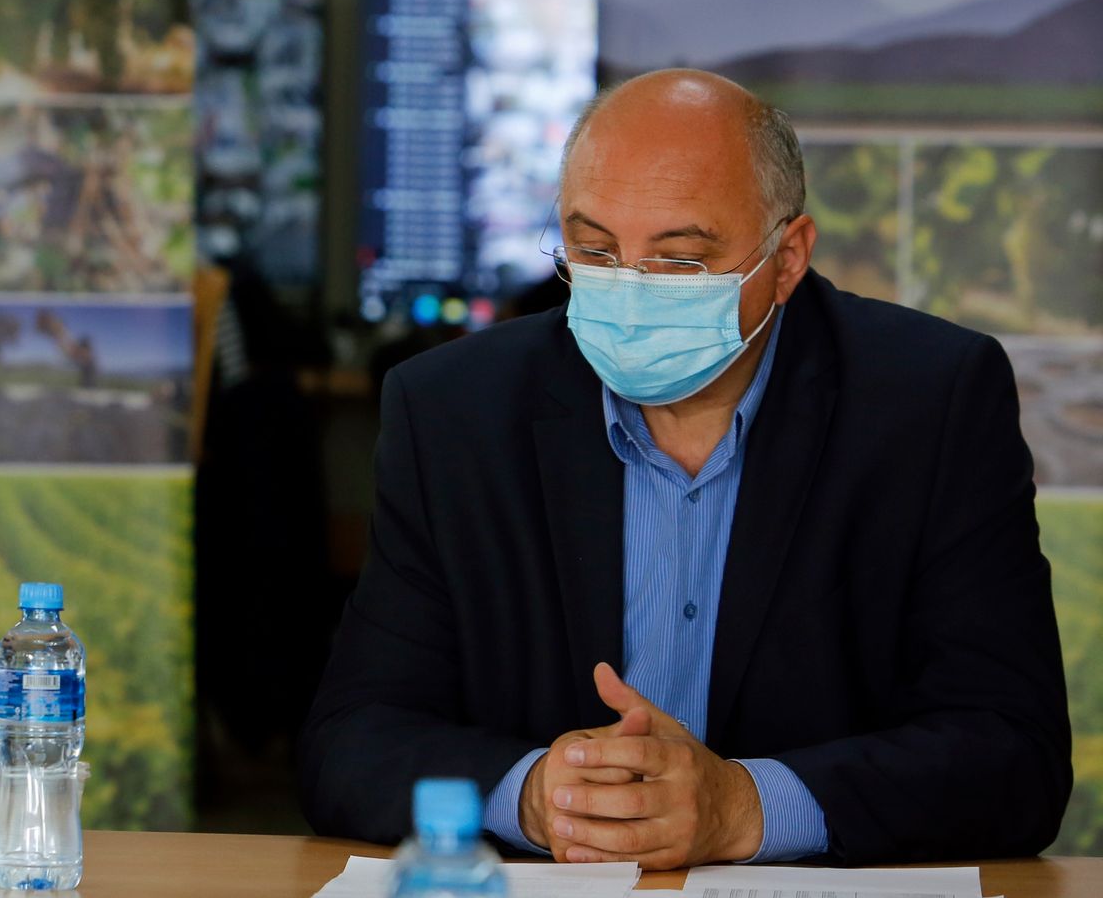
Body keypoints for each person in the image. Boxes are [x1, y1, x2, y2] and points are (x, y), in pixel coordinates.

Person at [300, 70, 1070, 867]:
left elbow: (1014, 753)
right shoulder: (455, 412)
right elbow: (350, 738)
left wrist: (743, 806)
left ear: (787, 257)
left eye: (679, 261)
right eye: (594, 249)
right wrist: (534, 794)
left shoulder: (930, 403)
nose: (629, 293)